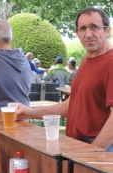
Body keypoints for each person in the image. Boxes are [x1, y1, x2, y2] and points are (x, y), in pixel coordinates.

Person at [16, 7, 113, 151]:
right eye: (83, 28)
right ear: (77, 33)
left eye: (94, 27)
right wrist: (28, 111)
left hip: (100, 149)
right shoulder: (86, 62)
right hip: (79, 146)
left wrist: (92, 154)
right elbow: (69, 105)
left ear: (107, 31)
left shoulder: (110, 62)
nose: (88, 34)